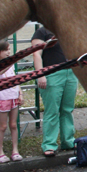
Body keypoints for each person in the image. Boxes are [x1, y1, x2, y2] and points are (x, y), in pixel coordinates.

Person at [32, 26, 78, 157]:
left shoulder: (63, 29)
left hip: (70, 73)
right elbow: (36, 53)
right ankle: (49, 145)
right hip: (51, 75)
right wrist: (41, 75)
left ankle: (68, 141)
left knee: (67, 109)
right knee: (52, 111)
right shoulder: (42, 32)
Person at [0, 41, 23, 163]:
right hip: (2, 98)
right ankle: (0, 153)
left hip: (13, 96)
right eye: (6, 50)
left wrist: (20, 93)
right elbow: (1, 71)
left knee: (13, 124)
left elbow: (15, 79)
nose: (8, 52)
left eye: (9, 50)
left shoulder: (11, 65)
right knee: (2, 126)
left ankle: (15, 150)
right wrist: (14, 59)